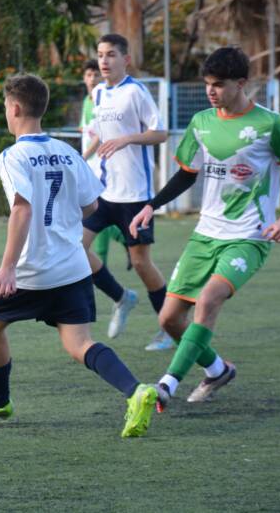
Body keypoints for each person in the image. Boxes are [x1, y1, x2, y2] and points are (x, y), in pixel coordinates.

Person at [0, 74, 158, 438]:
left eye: (6, 107)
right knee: (80, 344)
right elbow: (91, 206)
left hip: (31, 271)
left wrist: (7, 268)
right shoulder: (67, 151)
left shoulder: (13, 155)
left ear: (16, 108)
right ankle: (135, 390)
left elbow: (22, 209)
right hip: (73, 268)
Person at [128, 47, 280, 409]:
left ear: (241, 83)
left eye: (218, 85)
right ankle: (217, 370)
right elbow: (187, 174)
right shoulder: (201, 122)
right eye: (207, 84)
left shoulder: (269, 124)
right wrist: (151, 205)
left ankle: (167, 384)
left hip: (250, 236)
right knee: (169, 319)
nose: (210, 91)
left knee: (209, 299)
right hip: (205, 235)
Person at [81, 33, 175, 351]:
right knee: (75, 248)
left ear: (126, 59)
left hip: (135, 196)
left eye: (110, 54)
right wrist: (81, 159)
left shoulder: (136, 91)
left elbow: (160, 133)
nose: (104, 61)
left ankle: (169, 327)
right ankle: (122, 297)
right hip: (105, 193)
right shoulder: (98, 93)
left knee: (141, 263)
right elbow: (100, 134)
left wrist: (128, 139)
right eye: (100, 55)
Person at [79, 60, 131, 275]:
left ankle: (102, 267)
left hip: (98, 166)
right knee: (97, 217)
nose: (92, 79)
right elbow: (87, 130)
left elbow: (101, 135)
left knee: (95, 215)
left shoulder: (104, 100)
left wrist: (83, 157)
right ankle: (125, 239)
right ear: (84, 78)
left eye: (96, 75)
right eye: (88, 75)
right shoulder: (87, 101)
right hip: (87, 167)